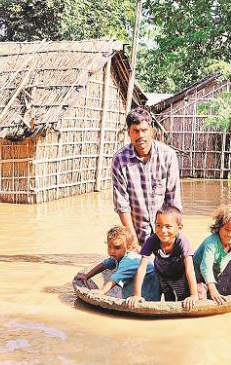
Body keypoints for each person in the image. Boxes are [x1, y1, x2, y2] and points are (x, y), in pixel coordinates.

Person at [111, 106, 182, 246]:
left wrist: (171, 239)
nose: (140, 136)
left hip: (164, 233)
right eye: (135, 131)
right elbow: (122, 205)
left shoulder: (168, 156)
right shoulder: (120, 160)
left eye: (144, 130)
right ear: (129, 133)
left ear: (152, 132)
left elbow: (173, 201)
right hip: (137, 233)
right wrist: (134, 243)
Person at [127, 205, 199, 311]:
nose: (162, 230)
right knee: (168, 301)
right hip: (162, 275)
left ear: (179, 228)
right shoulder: (152, 240)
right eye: (158, 225)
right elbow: (142, 268)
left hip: (180, 276)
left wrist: (194, 295)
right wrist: (137, 294)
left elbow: (189, 269)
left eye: (168, 226)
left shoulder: (182, 241)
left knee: (184, 300)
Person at [73, 225, 160, 301]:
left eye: (117, 247)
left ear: (128, 247)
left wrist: (102, 290)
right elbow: (104, 264)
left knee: (115, 288)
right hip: (140, 285)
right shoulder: (118, 256)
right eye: (109, 246)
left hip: (148, 293)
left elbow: (114, 280)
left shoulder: (128, 261)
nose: (111, 251)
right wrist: (87, 275)